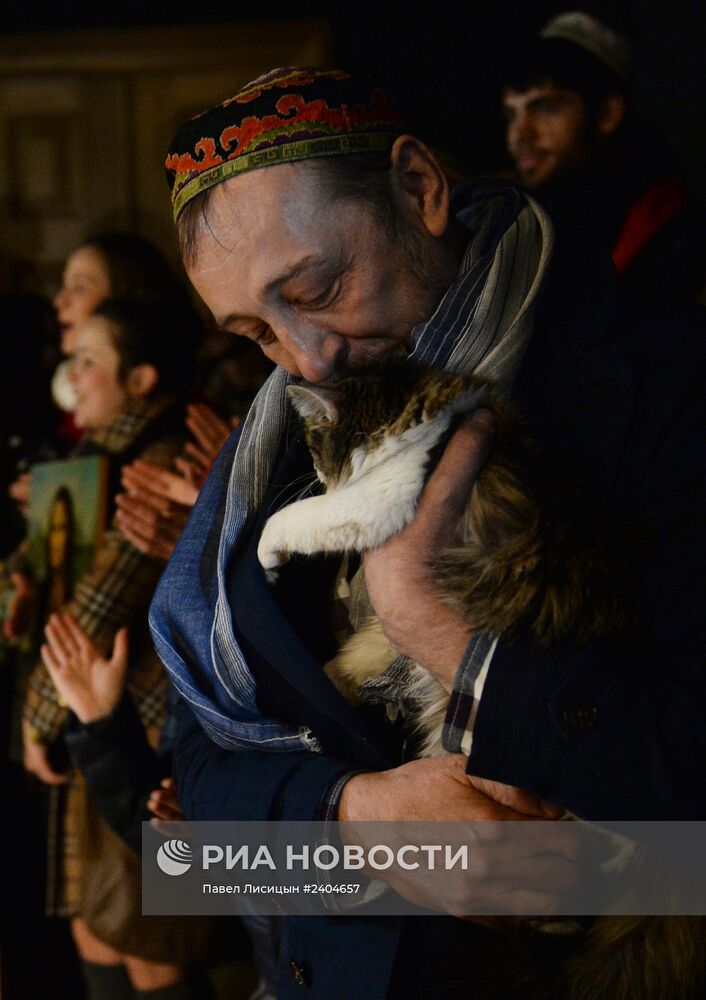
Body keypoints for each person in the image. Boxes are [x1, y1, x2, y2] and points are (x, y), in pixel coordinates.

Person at [150, 68, 706, 999]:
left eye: (320, 285)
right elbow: (193, 860)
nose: (307, 359)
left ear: (420, 188)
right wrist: (356, 831)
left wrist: (435, 626)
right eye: (254, 331)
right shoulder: (274, 451)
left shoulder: (669, 389)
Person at [21, 297, 214, 1000]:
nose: (73, 375)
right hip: (103, 726)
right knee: (97, 925)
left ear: (141, 378)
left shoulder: (151, 458)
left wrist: (38, 717)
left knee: (151, 941)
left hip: (146, 734)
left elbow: (94, 610)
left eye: (90, 361)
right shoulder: (85, 461)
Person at [501, 11, 705, 304]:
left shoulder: (670, 234)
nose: (519, 135)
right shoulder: (513, 209)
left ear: (608, 113)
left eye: (546, 108)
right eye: (511, 114)